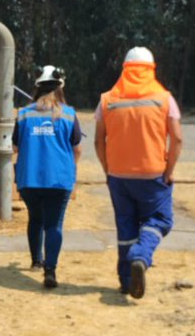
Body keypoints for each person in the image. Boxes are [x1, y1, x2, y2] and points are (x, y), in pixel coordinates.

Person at [94, 46, 183, 299]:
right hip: (153, 175)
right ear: (151, 69)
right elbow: (177, 139)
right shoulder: (164, 98)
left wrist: (108, 170)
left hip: (119, 177)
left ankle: (125, 281)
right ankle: (141, 256)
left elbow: (99, 141)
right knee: (160, 220)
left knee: (126, 226)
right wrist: (169, 170)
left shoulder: (107, 100)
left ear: (125, 69)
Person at [13, 65, 82, 289]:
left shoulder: (23, 114)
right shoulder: (69, 114)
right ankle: (50, 270)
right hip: (59, 179)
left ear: (37, 88)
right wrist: (71, 171)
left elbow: (15, 147)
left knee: (35, 218)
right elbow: (77, 149)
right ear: (60, 88)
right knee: (54, 224)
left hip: (29, 178)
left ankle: (36, 261)